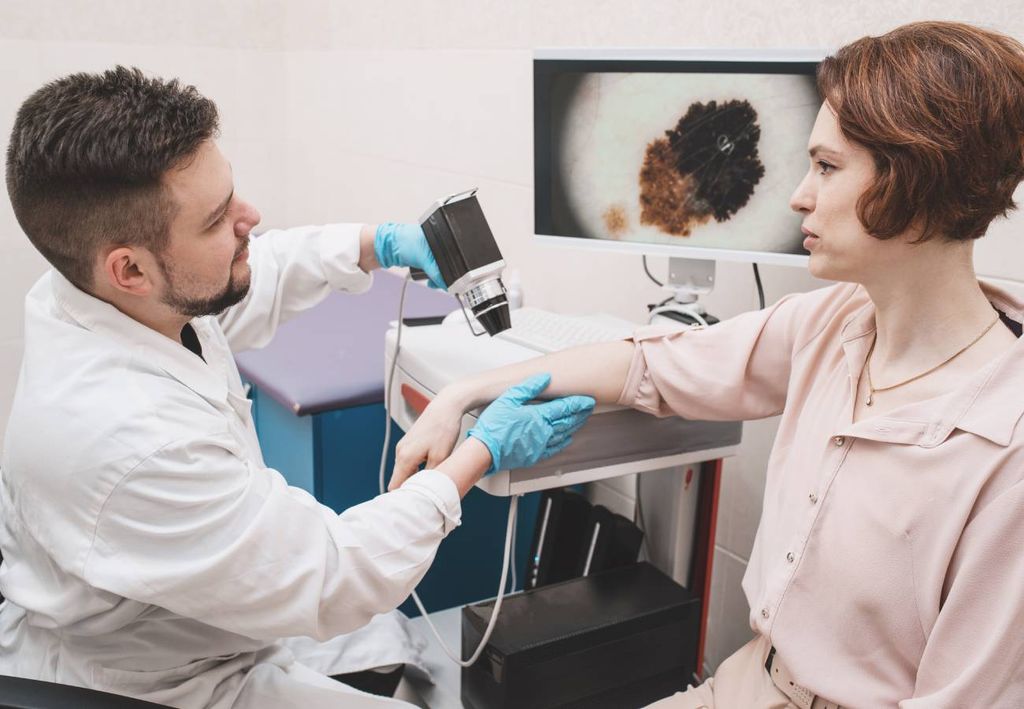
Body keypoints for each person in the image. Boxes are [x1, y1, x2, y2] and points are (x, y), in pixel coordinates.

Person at [393, 21, 1024, 708]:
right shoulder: (835, 321)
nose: (798, 196)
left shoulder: (1003, 448)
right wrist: (468, 392)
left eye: (827, 167)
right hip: (750, 681)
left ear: (914, 181)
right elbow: (655, 363)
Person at [0, 67, 594, 708]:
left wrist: (379, 244)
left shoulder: (97, 290)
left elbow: (258, 274)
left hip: (199, 620)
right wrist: (480, 453)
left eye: (233, 195)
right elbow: (337, 575)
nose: (250, 219)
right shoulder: (127, 440)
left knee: (394, 646)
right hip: (152, 682)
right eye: (217, 219)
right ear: (130, 268)